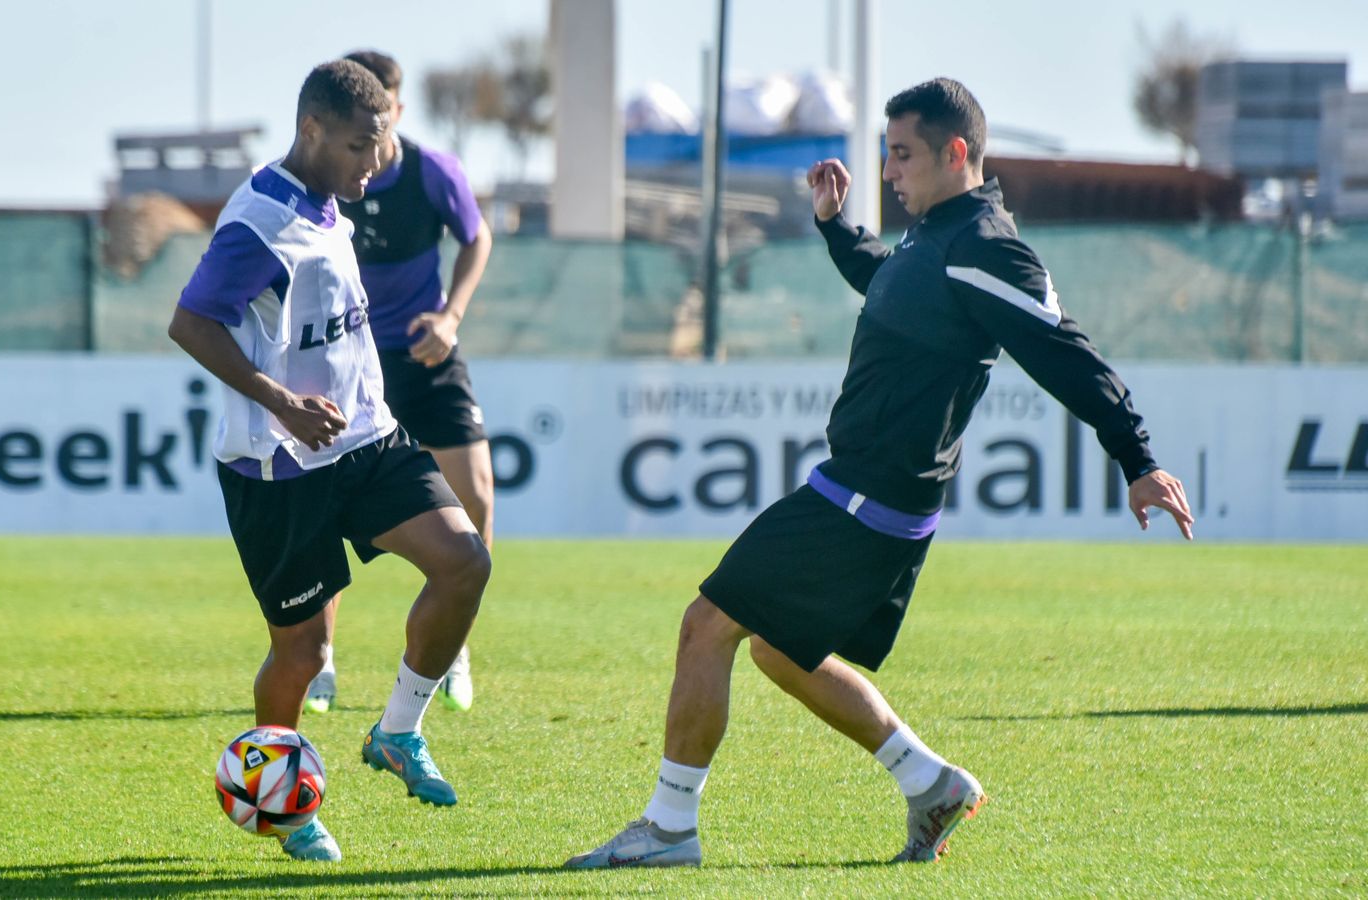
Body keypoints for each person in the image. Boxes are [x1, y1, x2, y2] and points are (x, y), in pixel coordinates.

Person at [564, 77, 1195, 869]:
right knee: (775, 648)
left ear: (955, 153)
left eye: (902, 155)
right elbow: (889, 281)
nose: (889, 171)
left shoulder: (986, 245)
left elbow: (1068, 354)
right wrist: (835, 229)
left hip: (870, 497)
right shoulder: (936, 236)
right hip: (863, 490)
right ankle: (929, 784)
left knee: (706, 624)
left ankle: (667, 829)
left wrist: (1138, 459)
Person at [168, 59, 490, 864]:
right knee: (303, 654)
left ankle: (398, 732)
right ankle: (281, 802)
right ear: (311, 131)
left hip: (366, 441)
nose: (375, 164)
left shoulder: (329, 200)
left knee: (464, 562)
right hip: (278, 467)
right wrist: (280, 401)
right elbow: (191, 323)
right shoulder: (259, 224)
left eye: (380, 145)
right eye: (358, 146)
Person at [301, 49, 495, 716]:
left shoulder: (432, 171)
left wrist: (451, 315)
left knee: (476, 496)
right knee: (322, 510)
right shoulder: (322, 176)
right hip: (348, 364)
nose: (373, 132)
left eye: (383, 112)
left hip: (423, 355)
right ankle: (319, 659)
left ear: (398, 110)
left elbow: (477, 238)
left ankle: (454, 642)